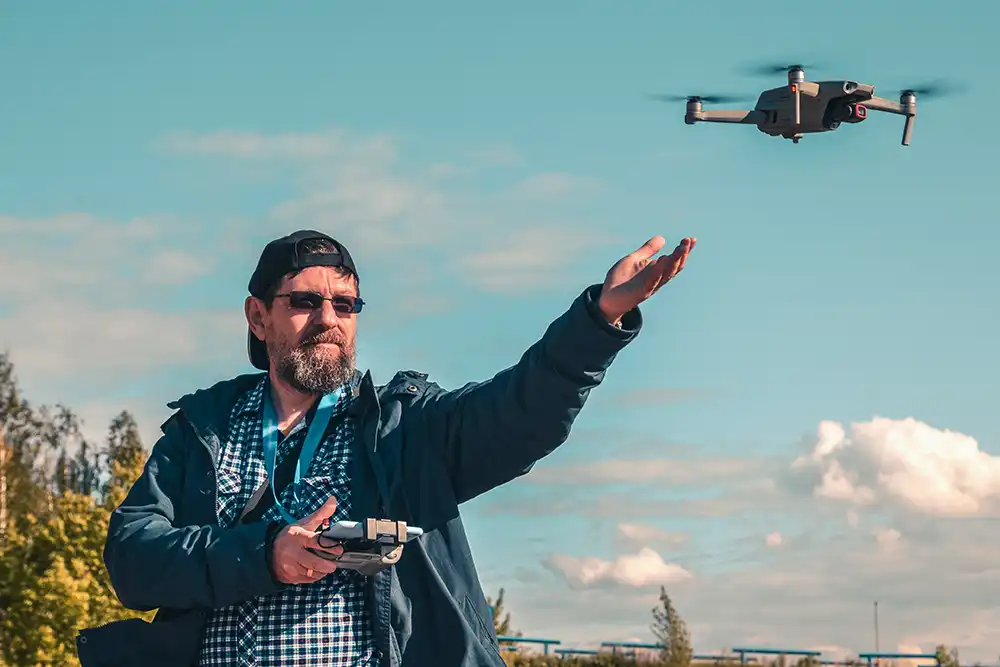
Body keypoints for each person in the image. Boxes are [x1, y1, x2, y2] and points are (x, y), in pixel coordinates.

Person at [75, 229, 696, 667]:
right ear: (258, 317)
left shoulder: (404, 426)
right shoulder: (202, 429)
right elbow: (134, 556)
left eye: (345, 304)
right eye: (304, 301)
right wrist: (265, 554)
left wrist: (598, 319)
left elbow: (521, 413)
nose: (328, 318)